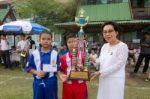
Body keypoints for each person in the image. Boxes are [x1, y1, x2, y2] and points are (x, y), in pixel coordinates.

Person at [89, 21, 128, 99]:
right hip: (103, 79)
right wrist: (93, 59)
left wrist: (100, 72)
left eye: (110, 31)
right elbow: (101, 60)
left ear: (116, 32)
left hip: (115, 80)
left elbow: (118, 65)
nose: (107, 34)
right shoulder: (104, 46)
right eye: (105, 32)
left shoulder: (122, 46)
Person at [25, 31, 59, 99]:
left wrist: (55, 70)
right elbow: (28, 67)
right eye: (43, 39)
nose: (46, 41)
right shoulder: (34, 54)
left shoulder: (55, 54)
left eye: (48, 39)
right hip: (38, 82)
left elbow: (58, 68)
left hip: (51, 82)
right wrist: (36, 72)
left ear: (51, 40)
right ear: (39, 40)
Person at [59, 33, 88, 99]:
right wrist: (61, 75)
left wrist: (81, 66)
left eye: (74, 41)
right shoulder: (63, 57)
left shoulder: (84, 56)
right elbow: (61, 70)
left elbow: (88, 73)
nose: (72, 44)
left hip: (80, 86)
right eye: (69, 42)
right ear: (67, 44)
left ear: (78, 42)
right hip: (67, 86)